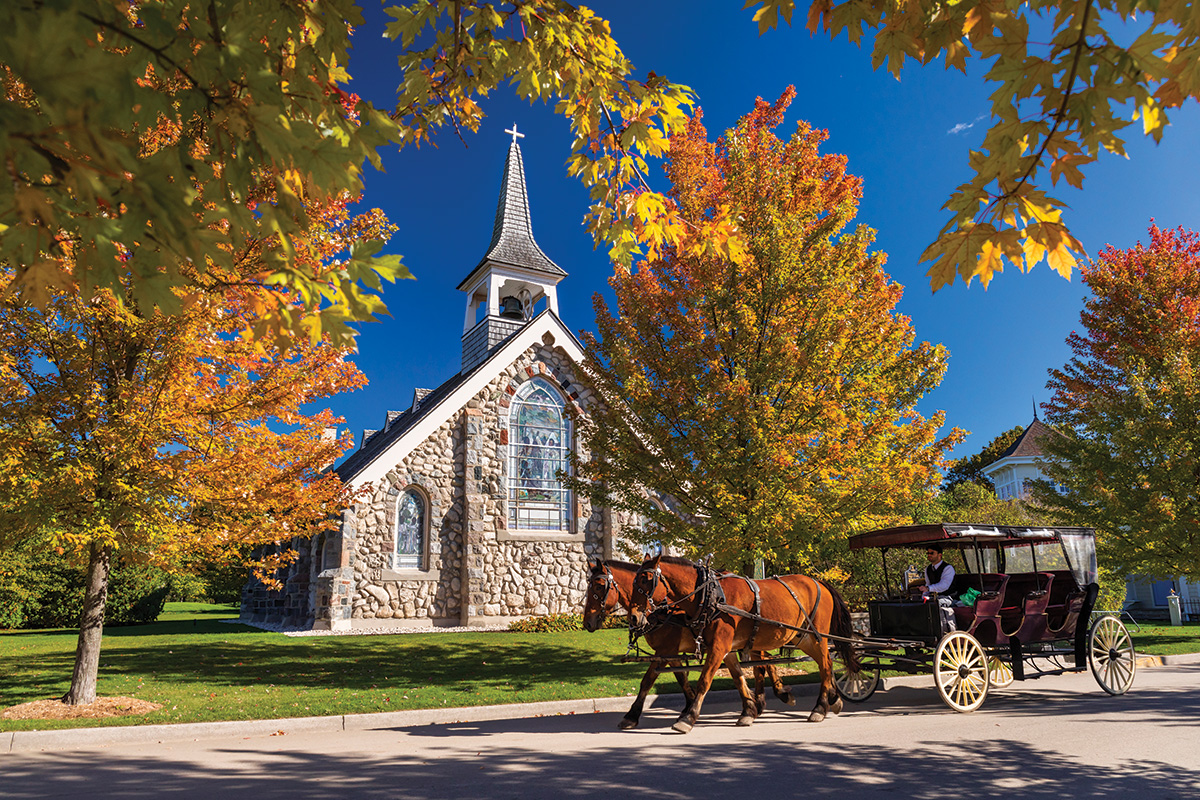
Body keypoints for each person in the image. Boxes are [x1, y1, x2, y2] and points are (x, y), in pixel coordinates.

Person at [909, 545, 957, 632]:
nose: (929, 555)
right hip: (934, 597)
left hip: (948, 597)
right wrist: (922, 596)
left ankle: (941, 630)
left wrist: (928, 588)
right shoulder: (928, 569)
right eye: (928, 553)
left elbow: (944, 585)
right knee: (918, 604)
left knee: (934, 604)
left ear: (940, 555)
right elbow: (928, 585)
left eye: (932, 553)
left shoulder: (948, 568)